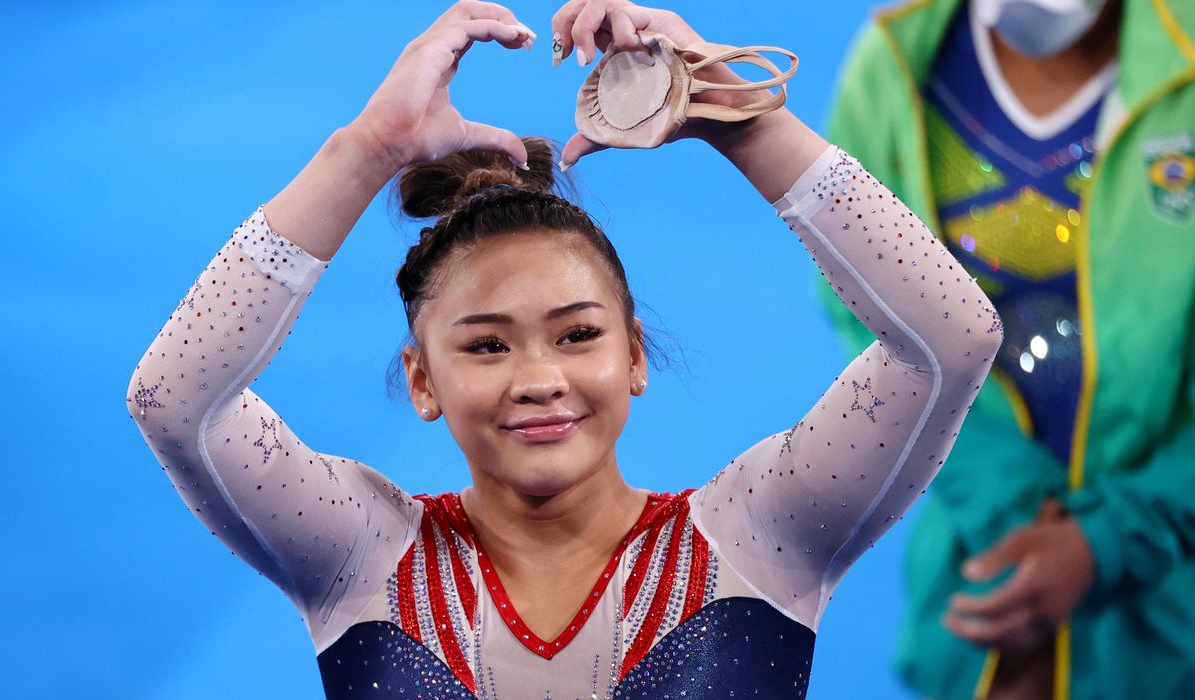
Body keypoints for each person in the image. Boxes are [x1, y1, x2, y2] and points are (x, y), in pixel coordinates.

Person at [125, 1, 1000, 697]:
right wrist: (365, 152)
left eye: (578, 335)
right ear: (422, 381)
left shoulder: (759, 536)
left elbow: (948, 341)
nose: (539, 379)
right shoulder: (363, 551)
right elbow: (175, 400)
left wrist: (739, 119)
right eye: (487, 346)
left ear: (634, 357)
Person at [821, 0, 1195, 697]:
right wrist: (1012, 513)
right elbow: (869, 321)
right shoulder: (893, 66)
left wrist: (1104, 541)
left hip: (1173, 608)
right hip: (976, 570)